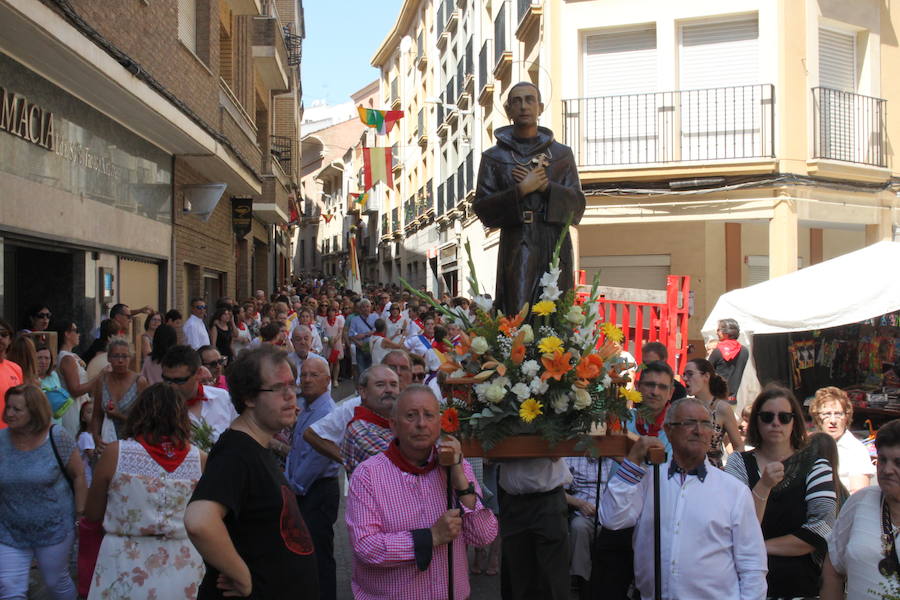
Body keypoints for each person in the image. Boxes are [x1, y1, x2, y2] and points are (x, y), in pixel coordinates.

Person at [184, 344, 319, 599]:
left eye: (293, 385)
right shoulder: (236, 452)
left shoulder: (255, 448)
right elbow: (199, 521)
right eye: (279, 388)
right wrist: (243, 579)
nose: (292, 396)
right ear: (248, 397)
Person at [600, 397, 768, 599]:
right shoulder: (648, 479)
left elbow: (752, 565)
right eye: (689, 423)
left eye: (706, 424)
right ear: (669, 431)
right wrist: (633, 462)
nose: (699, 430)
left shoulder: (734, 491)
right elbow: (612, 519)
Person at [345, 385, 498, 599]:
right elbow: (366, 547)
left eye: (429, 415)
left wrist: (460, 479)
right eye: (411, 416)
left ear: (439, 423)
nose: (421, 424)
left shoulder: (456, 466)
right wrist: (430, 537)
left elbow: (483, 536)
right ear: (393, 425)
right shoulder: (368, 475)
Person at [472, 81, 586, 316]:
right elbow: (483, 208)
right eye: (517, 101)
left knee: (556, 311)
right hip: (518, 241)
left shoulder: (562, 155)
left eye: (530, 99)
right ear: (509, 110)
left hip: (554, 240)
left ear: (540, 107)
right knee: (518, 310)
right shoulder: (494, 157)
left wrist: (546, 187)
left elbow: (577, 207)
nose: (524, 106)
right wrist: (520, 190)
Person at [84, 383, 206, 599]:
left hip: (124, 562)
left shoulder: (116, 453)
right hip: (182, 561)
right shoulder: (200, 460)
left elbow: (92, 513)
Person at [725, 385, 838, 598]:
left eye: (784, 417)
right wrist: (764, 485)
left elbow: (821, 530)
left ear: (794, 421)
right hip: (744, 587)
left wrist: (757, 547)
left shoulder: (816, 466)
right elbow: (734, 525)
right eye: (767, 416)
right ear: (756, 421)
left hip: (799, 586)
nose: (776, 423)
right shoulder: (739, 463)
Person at [591, 360, 676, 599]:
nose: (654, 391)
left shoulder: (676, 426)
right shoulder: (620, 418)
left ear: (671, 392)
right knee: (606, 589)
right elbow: (599, 440)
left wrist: (629, 458)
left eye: (662, 387)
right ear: (638, 386)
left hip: (656, 519)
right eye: (649, 384)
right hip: (619, 514)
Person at [0, 384, 87, 599]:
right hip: (10, 529)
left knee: (55, 581)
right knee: (10, 588)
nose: (9, 413)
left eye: (17, 409)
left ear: (35, 411)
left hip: (54, 528)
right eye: (8, 407)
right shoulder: (1, 440)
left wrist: (79, 515)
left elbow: (78, 475)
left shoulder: (57, 437)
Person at [820, 418, 900, 599]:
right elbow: (832, 569)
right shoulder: (860, 501)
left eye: (898, 463)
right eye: (882, 460)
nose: (887, 470)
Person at [287, 357, 340, 600]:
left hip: (316, 491)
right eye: (304, 375)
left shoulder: (327, 411)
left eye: (313, 375)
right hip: (303, 489)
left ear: (327, 381)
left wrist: (294, 487)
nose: (306, 380)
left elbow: (316, 461)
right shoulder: (307, 407)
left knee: (319, 556)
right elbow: (295, 449)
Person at [304, 350, 412, 464]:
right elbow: (313, 434)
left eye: (404, 368)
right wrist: (349, 460)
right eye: (392, 367)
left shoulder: (419, 405)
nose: (398, 372)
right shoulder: (356, 409)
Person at [161, 345, 237, 447]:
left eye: (179, 381)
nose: (173, 386)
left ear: (199, 373)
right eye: (167, 380)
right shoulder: (158, 408)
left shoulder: (223, 398)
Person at [809, 386, 875, 493]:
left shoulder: (856, 450)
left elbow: (858, 496)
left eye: (838, 414)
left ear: (846, 417)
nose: (833, 420)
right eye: (827, 414)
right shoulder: (810, 445)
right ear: (817, 417)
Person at [682, 358, 744, 467]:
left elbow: (739, 447)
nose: (685, 378)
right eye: (684, 375)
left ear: (706, 376)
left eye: (690, 374)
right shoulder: (684, 407)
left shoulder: (722, 408)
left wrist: (729, 469)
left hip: (712, 473)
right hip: (685, 472)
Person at [340, 364, 400, 475]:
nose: (389, 390)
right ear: (363, 392)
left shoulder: (394, 422)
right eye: (380, 385)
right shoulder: (361, 431)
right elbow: (400, 467)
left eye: (393, 385)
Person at [565, 456, 610, 596]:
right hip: (582, 511)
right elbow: (559, 492)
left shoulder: (612, 458)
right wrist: (580, 504)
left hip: (609, 513)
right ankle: (583, 581)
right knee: (579, 527)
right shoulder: (570, 458)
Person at [90, 338, 148, 446]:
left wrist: (119, 415)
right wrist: (96, 438)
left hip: (132, 442)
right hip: (106, 442)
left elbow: (146, 420)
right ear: (108, 358)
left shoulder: (139, 382)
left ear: (130, 358)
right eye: (116, 356)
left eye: (124, 356)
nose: (120, 361)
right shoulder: (102, 381)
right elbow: (97, 415)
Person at [35, 344, 77, 436]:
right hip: (39, 427)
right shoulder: (31, 378)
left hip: (56, 424)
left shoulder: (54, 375)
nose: (43, 361)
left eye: (47, 358)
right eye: (39, 358)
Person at [708, 318, 750, 400]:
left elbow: (706, 372)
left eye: (718, 330)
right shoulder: (744, 351)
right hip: (733, 398)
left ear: (726, 333)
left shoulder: (718, 351)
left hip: (716, 398)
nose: (716, 332)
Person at [0, 318, 23, 428]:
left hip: (12, 434)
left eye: (3, 334)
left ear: (10, 340)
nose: (0, 338)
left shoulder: (16, 368)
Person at [348, 299, 378, 378]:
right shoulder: (355, 320)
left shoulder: (375, 317)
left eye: (368, 306)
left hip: (373, 347)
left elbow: (378, 331)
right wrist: (358, 343)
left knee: (372, 370)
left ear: (370, 307)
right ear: (360, 309)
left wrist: (364, 334)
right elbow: (351, 334)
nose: (366, 309)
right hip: (360, 348)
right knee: (361, 371)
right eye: (363, 307)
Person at [321, 304, 345, 386]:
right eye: (330, 311)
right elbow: (323, 332)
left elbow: (340, 332)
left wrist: (335, 339)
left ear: (335, 312)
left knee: (336, 362)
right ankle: (328, 379)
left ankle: (335, 379)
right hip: (327, 343)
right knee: (327, 362)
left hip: (336, 342)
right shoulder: (324, 321)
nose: (331, 313)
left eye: (333, 311)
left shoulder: (339, 320)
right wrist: (328, 339)